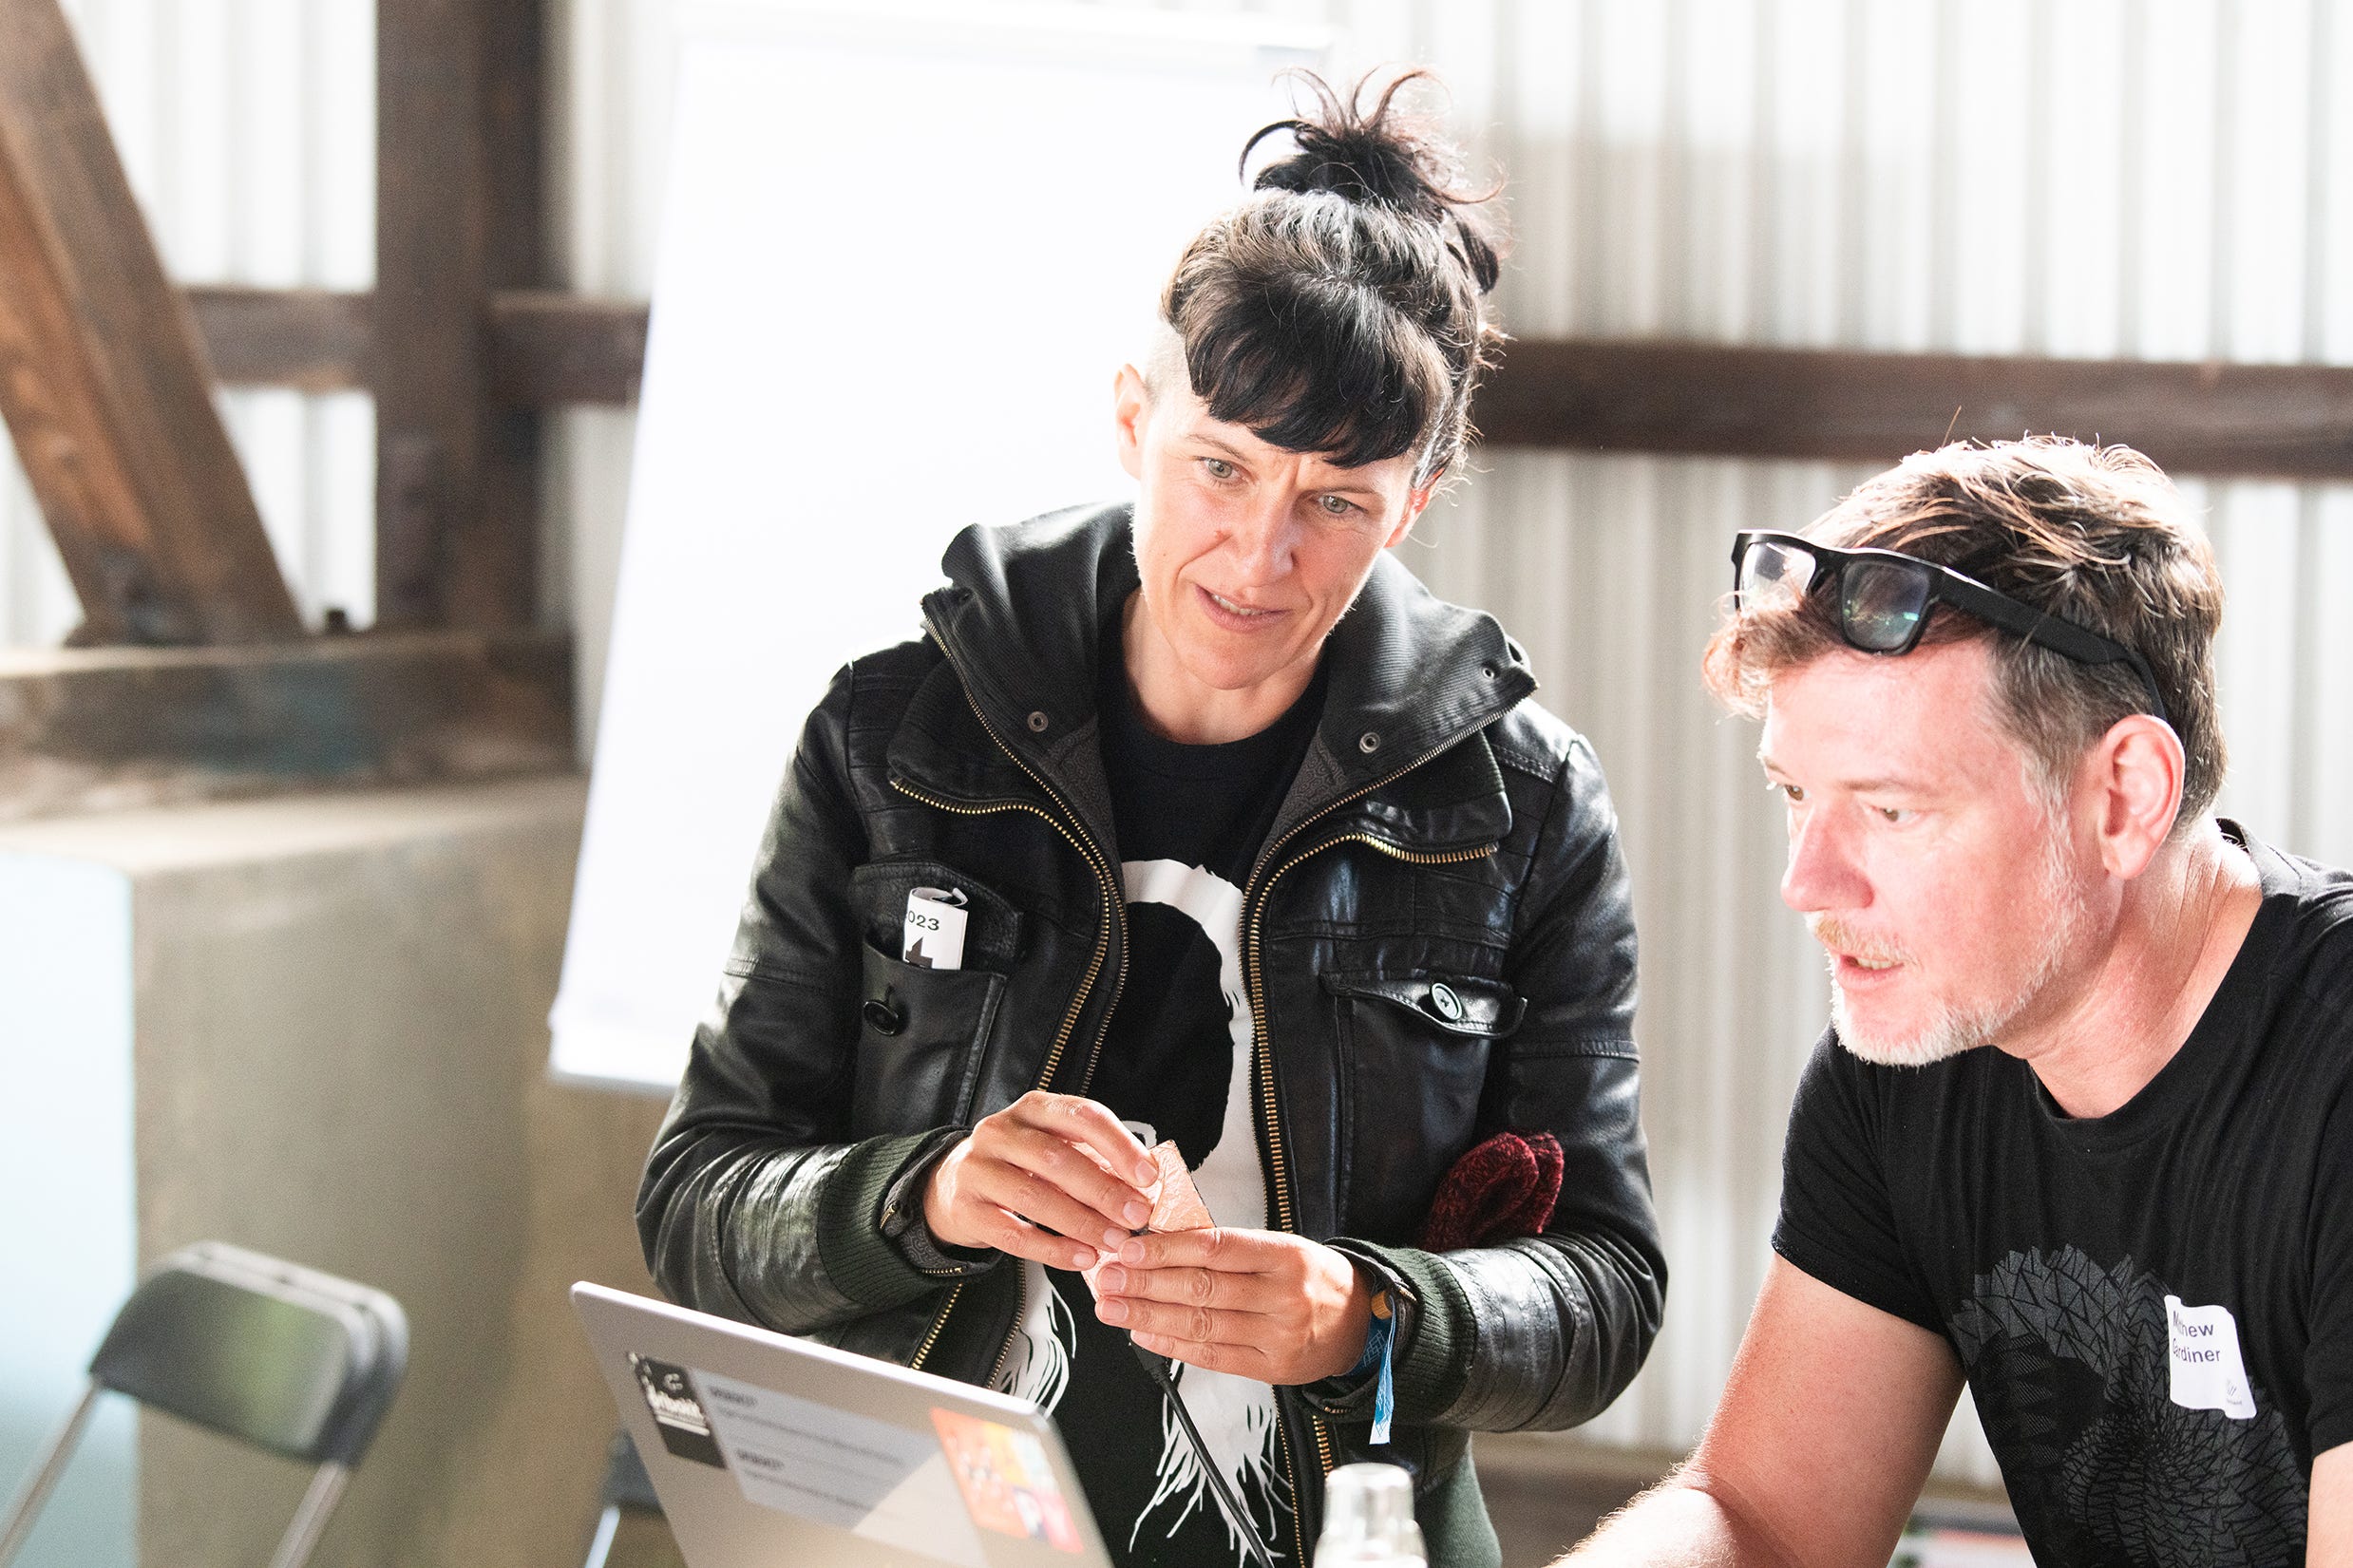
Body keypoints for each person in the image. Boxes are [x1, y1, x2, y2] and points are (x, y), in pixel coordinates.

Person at [637, 72, 1664, 1568]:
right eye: (1221, 468)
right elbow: (698, 1203)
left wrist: (1371, 1311)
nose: (1258, 554)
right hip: (913, 1539)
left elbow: (1605, 1295)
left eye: (1337, 501)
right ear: (1134, 419)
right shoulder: (894, 735)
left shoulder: (1522, 805)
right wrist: (924, 1192)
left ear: (1418, 499)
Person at [1562, 437, 2353, 1566]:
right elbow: (1765, 1519)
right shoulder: (1910, 1067)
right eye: (1795, 795)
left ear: (2122, 797)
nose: (1804, 884)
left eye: (1891, 811)